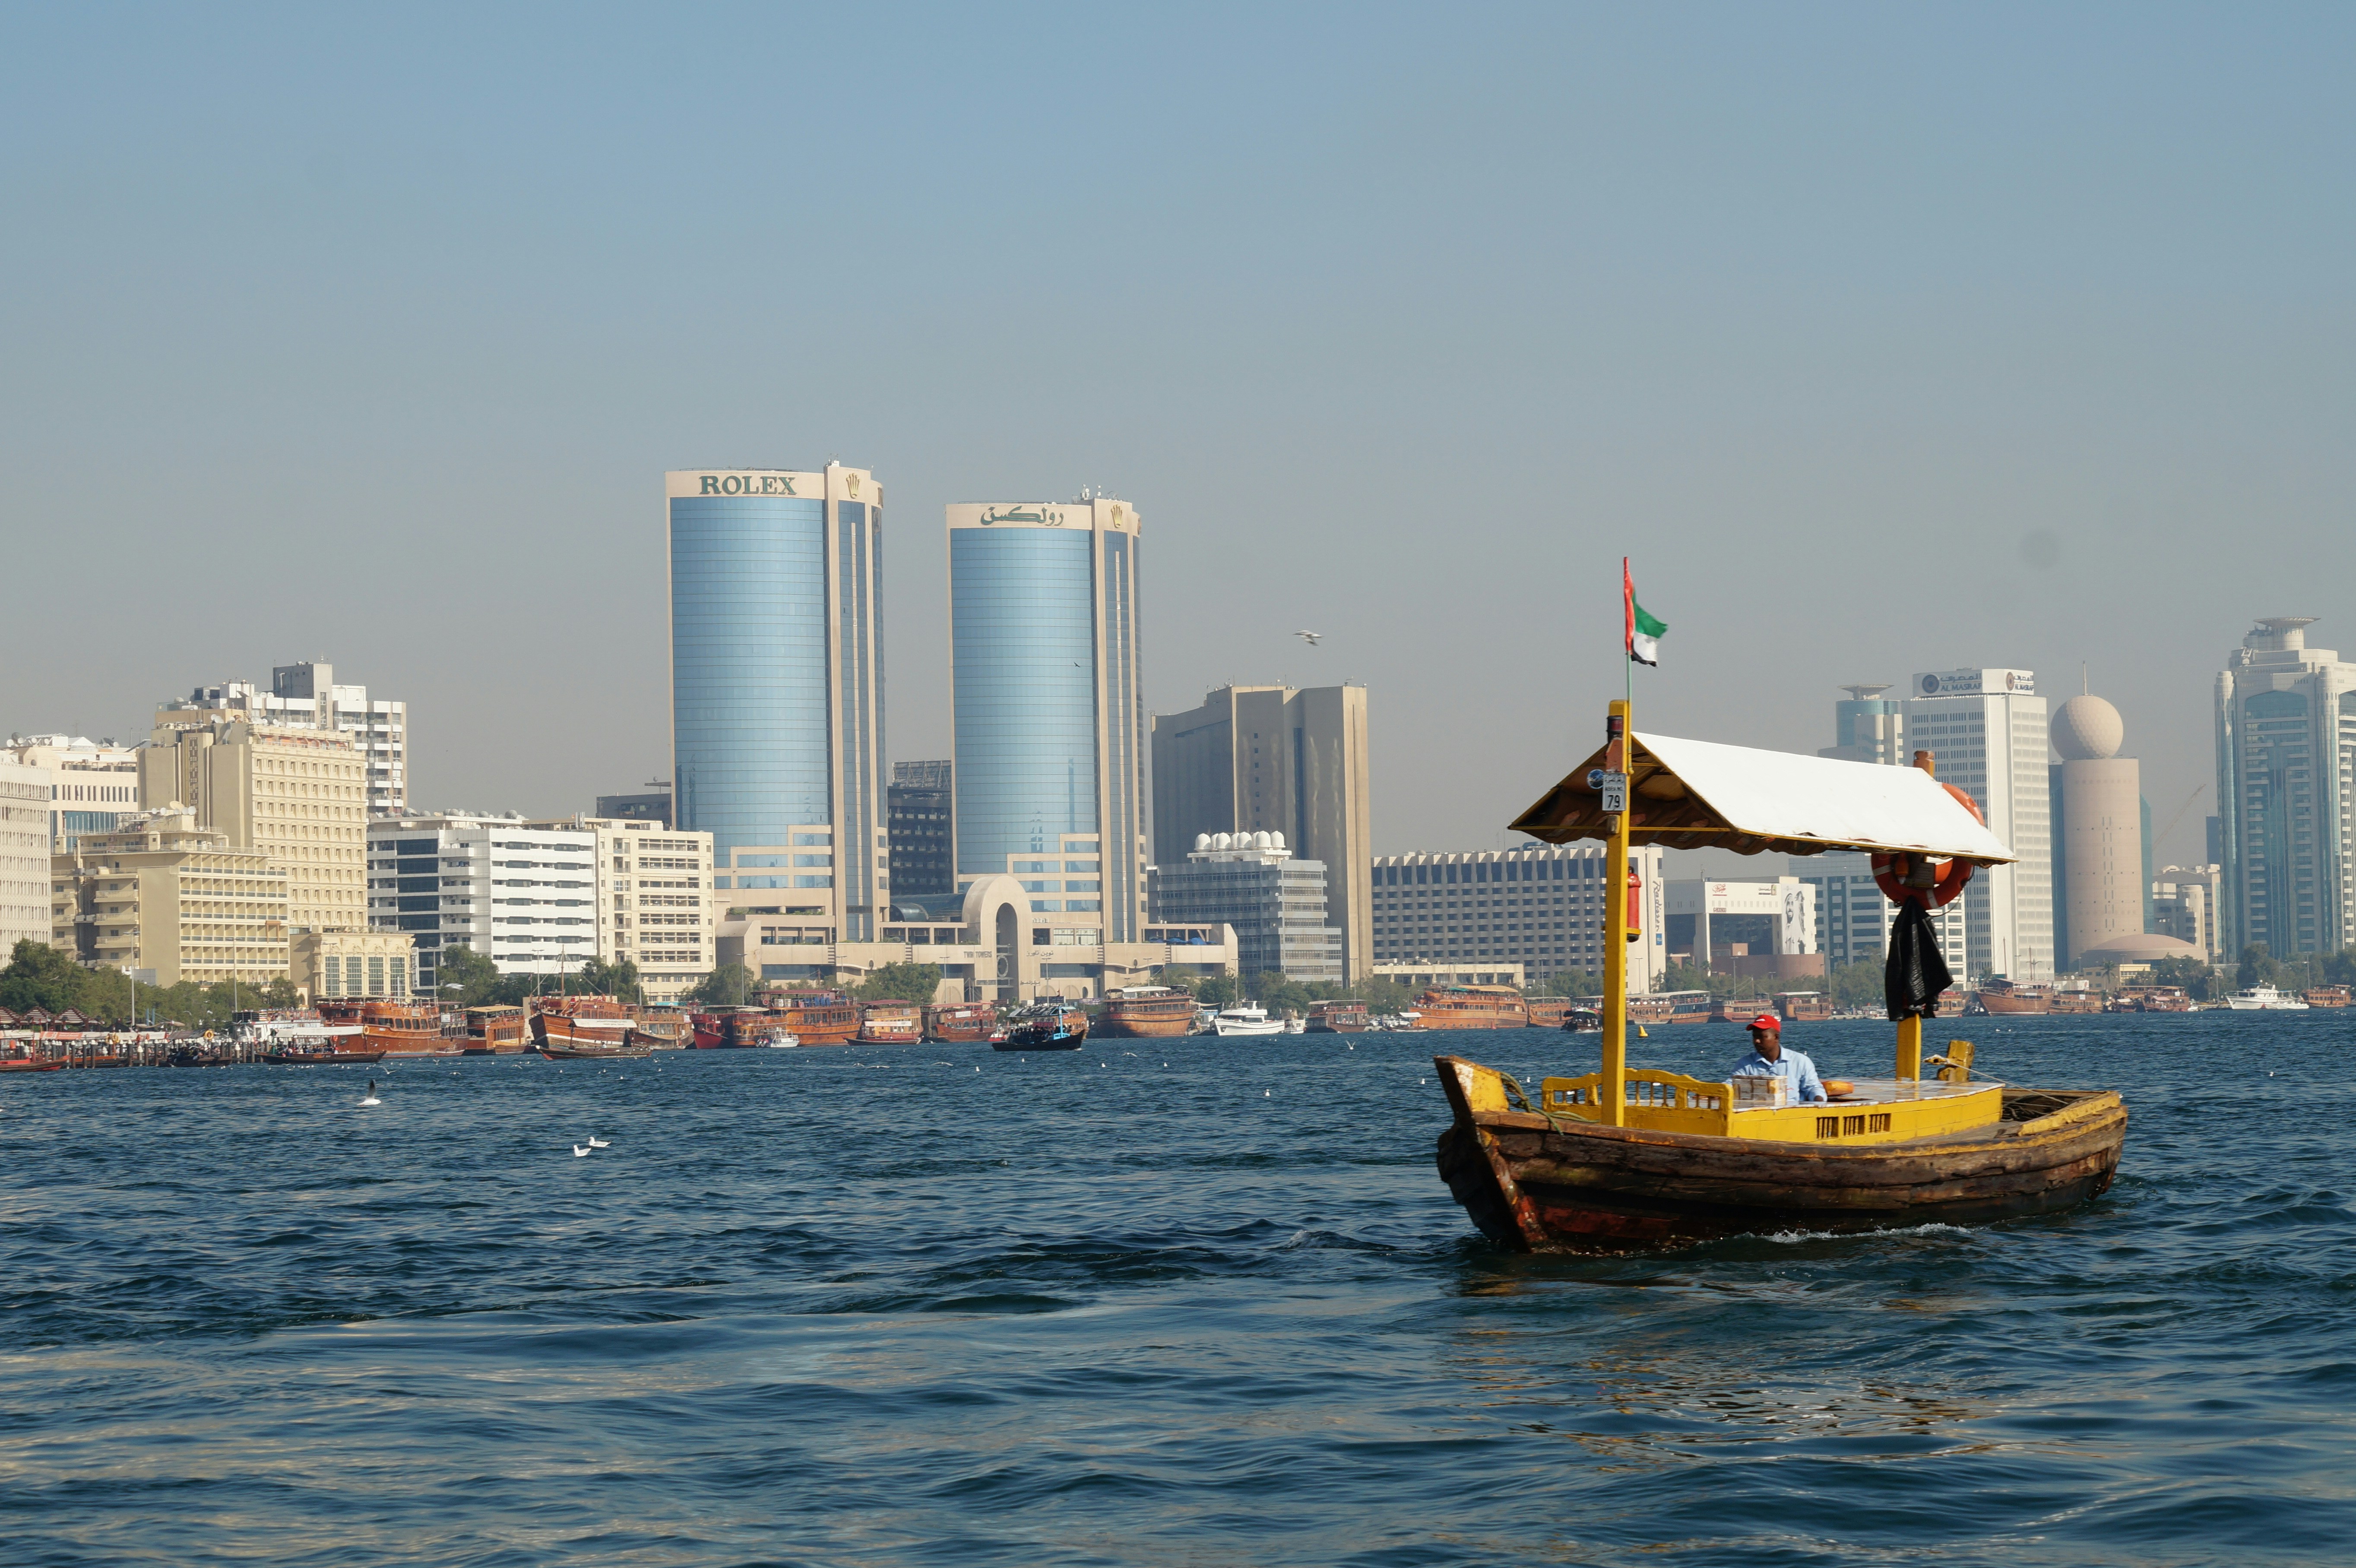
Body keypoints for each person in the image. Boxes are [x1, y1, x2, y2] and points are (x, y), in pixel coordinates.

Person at [1729, 1013, 1825, 1103]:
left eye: (1762, 1037)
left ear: (1776, 1038)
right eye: (1754, 1037)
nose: (1757, 1041)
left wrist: (1818, 1099)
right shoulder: (1745, 1064)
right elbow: (1731, 1084)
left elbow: (1813, 1088)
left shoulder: (1800, 1062)